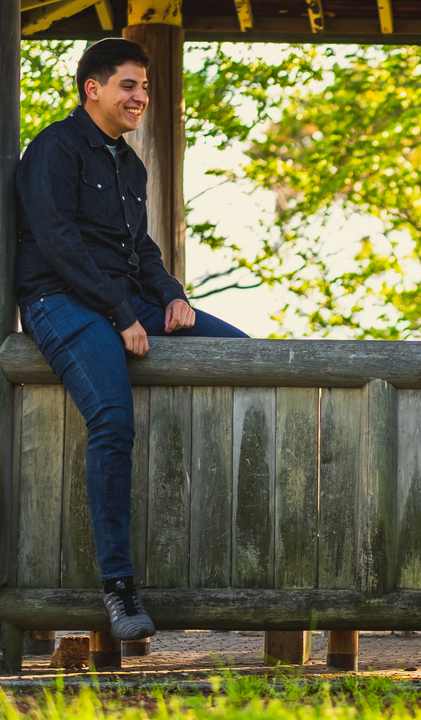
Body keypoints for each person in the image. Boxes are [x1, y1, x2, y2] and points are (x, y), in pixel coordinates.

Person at [15, 39, 249, 640]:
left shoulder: (130, 163)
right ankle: (120, 589)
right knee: (114, 421)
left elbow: (140, 248)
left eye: (145, 86)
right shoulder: (53, 149)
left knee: (246, 354)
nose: (141, 96)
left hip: (125, 299)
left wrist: (172, 294)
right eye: (129, 85)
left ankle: (239, 559)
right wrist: (122, 315)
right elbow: (58, 243)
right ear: (92, 88)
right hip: (59, 301)